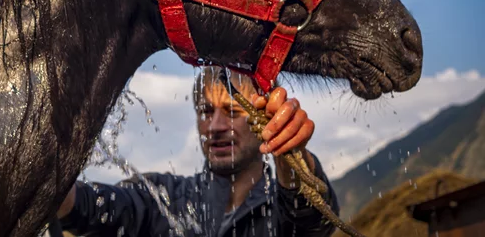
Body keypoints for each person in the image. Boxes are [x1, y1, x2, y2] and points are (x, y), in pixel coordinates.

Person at [56, 67, 339, 236]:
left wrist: (290, 155)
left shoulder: (280, 206)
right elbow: (95, 209)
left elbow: (311, 223)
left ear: (265, 118)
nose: (214, 126)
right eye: (205, 111)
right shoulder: (164, 198)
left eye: (232, 111)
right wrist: (51, 180)